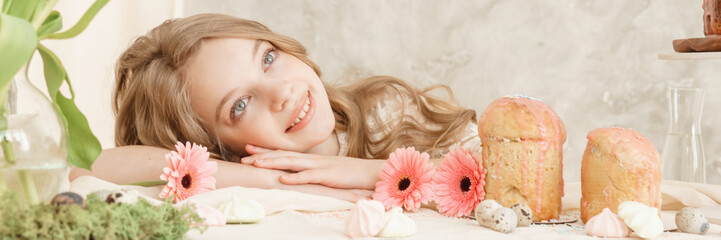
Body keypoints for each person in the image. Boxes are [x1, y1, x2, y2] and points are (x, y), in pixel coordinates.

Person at [70, 13, 480, 202]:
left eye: (268, 58)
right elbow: (80, 169)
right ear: (213, 149)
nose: (281, 92)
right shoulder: (234, 180)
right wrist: (269, 181)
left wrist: (373, 172)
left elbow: (514, 179)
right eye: (241, 105)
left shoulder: (387, 113)